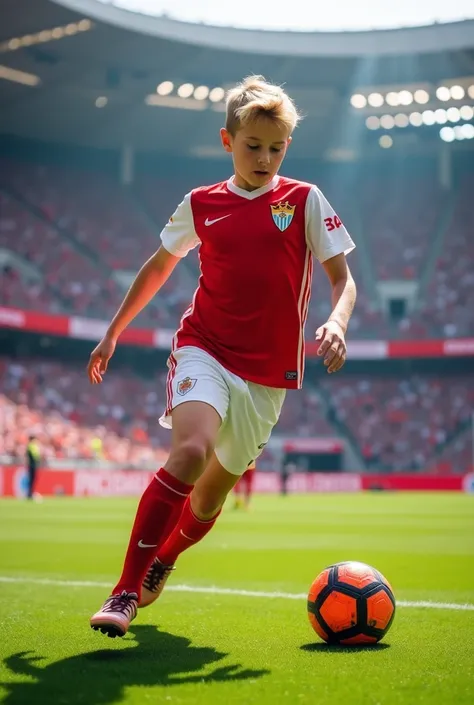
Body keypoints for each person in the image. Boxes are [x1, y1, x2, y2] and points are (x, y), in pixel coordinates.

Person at [88, 75, 357, 637]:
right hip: (203, 346)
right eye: (252, 145)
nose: (264, 157)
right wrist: (114, 330)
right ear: (226, 140)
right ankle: (123, 593)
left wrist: (336, 320)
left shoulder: (305, 200)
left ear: (287, 146)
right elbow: (159, 267)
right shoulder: (201, 203)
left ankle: (165, 559)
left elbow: (343, 280)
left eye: (276, 147)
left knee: (207, 502)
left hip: (267, 375)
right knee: (188, 452)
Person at [26, 435, 40, 500]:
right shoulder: (32, 446)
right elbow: (36, 456)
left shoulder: (30, 446)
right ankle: (30, 494)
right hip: (32, 466)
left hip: (31, 465)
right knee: (32, 480)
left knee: (31, 480)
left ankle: (30, 493)